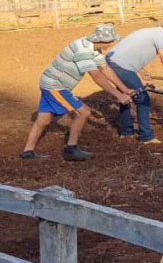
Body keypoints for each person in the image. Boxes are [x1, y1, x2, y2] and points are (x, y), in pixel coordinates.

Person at [21, 24, 133, 161]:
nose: (112, 43)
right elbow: (96, 75)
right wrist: (119, 95)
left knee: (43, 120)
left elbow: (105, 69)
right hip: (55, 86)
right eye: (110, 41)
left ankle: (27, 152)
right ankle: (71, 149)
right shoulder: (83, 51)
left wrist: (124, 89)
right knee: (84, 112)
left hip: (50, 82)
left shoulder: (94, 49)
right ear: (100, 40)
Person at [107, 16, 163, 144]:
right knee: (143, 99)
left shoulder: (149, 31)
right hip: (121, 66)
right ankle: (146, 136)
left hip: (112, 62)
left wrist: (142, 71)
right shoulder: (160, 35)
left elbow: (131, 51)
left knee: (125, 96)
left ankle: (126, 132)